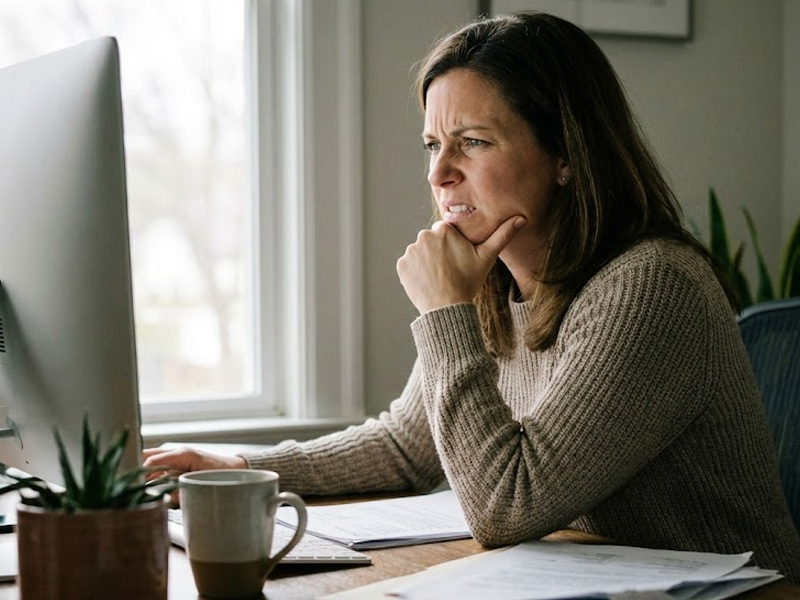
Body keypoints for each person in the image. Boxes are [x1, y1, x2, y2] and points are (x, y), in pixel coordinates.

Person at [144, 11, 800, 579]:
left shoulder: (652, 285)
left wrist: (444, 312)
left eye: (474, 142)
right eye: (433, 143)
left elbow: (507, 507)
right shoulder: (491, 283)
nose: (438, 172)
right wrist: (236, 464)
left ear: (566, 155)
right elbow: (406, 446)